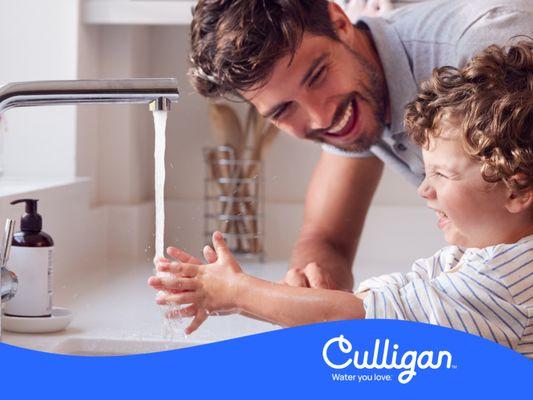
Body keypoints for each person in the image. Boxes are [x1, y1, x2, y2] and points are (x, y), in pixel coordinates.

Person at [149, 40, 533, 358]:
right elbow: (385, 298)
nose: (423, 189)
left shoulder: (504, 281)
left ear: (518, 190)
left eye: (442, 174)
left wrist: (238, 292)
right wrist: (266, 300)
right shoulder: (480, 256)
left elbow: (368, 322)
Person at [187, 0, 533, 291]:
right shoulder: (354, 98)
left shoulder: (489, 45)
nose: (321, 117)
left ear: (340, 22)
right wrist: (311, 291)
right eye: (283, 110)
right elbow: (326, 239)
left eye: (318, 75)